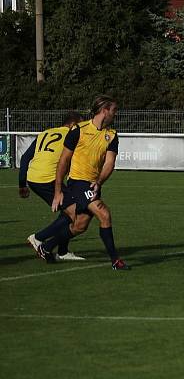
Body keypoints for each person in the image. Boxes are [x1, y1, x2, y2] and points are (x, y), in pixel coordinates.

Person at [34, 95, 130, 270]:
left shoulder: (112, 135)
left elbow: (110, 163)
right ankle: (115, 260)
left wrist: (99, 181)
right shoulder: (78, 130)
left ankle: (46, 247)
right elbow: (63, 161)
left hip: (93, 184)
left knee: (80, 225)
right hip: (78, 183)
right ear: (104, 110)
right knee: (105, 214)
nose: (116, 114)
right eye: (114, 110)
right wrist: (58, 191)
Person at [19, 111, 85, 260]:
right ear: (73, 124)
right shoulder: (71, 136)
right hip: (47, 179)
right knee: (77, 213)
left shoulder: (45, 133)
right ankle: (39, 238)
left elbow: (25, 158)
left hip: (34, 178)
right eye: (80, 125)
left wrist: (22, 184)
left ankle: (63, 251)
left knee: (69, 212)